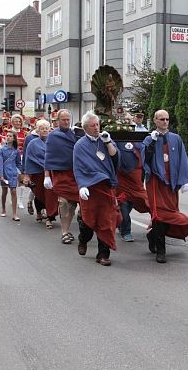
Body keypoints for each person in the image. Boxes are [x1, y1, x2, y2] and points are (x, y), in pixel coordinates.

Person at [143, 110, 188, 263]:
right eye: (161, 119)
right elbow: (145, 159)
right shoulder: (149, 139)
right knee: (159, 216)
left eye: (167, 119)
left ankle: (152, 235)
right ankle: (161, 250)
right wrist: (152, 143)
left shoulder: (176, 138)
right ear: (155, 121)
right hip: (156, 183)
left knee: (170, 216)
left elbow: (182, 159)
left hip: (171, 184)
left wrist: (185, 179)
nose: (165, 122)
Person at [74, 111, 121, 266]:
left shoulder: (105, 140)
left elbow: (115, 158)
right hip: (91, 188)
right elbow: (78, 168)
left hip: (106, 187)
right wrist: (82, 186)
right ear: (85, 127)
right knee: (89, 222)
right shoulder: (80, 145)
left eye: (98, 125)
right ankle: (83, 239)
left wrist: (108, 142)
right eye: (93, 125)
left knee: (106, 221)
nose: (96, 128)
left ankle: (103, 254)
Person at [44, 109, 81, 244]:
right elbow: (48, 156)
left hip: (76, 173)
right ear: (58, 121)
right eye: (63, 120)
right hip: (60, 174)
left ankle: (75, 227)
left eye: (68, 119)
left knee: (73, 205)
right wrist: (47, 175)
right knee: (64, 203)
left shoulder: (75, 134)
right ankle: (64, 232)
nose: (66, 122)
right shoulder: (53, 136)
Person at [23, 119, 59, 228]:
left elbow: (57, 156)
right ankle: (39, 212)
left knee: (51, 195)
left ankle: (50, 217)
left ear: (49, 130)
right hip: (37, 172)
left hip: (51, 172)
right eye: (42, 129)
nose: (44, 131)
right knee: (39, 194)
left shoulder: (53, 142)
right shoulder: (32, 143)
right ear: (38, 131)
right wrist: (26, 174)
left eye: (46, 129)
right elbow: (28, 159)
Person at [115, 140, 150, 242]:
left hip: (137, 179)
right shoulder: (119, 139)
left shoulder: (141, 137)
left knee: (146, 202)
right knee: (124, 204)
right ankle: (126, 231)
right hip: (123, 178)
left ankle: (159, 226)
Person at [0, 131, 22, 221]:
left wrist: (24, 172)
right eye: (7, 136)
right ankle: (3, 209)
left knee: (14, 191)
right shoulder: (1, 150)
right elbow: (0, 163)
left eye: (10, 136)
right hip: (4, 172)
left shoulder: (16, 150)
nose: (8, 137)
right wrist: (1, 175)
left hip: (13, 173)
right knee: (4, 191)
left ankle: (14, 213)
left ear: (14, 138)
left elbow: (18, 163)